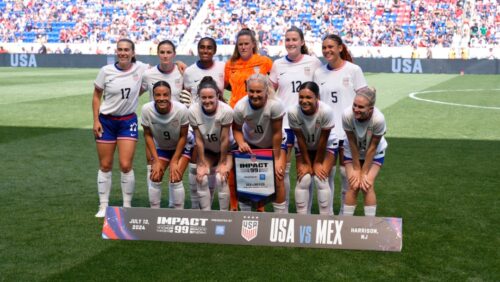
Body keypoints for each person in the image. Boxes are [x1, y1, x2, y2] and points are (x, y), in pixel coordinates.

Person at [92, 38, 149, 218]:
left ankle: (126, 205)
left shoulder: (141, 68)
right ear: (116, 52)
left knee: (125, 165)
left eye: (126, 50)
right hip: (106, 121)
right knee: (105, 164)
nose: (123, 53)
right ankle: (103, 205)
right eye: (120, 49)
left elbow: (161, 69)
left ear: (133, 53)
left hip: (127, 121)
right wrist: (95, 120)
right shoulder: (105, 71)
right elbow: (96, 96)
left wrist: (179, 64)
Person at [269, 26, 322, 213]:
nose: (290, 43)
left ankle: (304, 213)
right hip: (284, 124)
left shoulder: (313, 63)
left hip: (307, 125)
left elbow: (319, 91)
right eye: (287, 39)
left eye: (294, 39)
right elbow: (270, 91)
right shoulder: (277, 65)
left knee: (307, 172)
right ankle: (282, 212)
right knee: (282, 170)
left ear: (302, 42)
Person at [313, 34, 367, 215]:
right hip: (326, 132)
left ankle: (345, 215)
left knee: (346, 175)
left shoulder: (354, 70)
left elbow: (363, 100)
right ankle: (326, 215)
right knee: (324, 175)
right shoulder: (319, 72)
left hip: (348, 132)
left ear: (340, 48)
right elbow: (316, 102)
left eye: (331, 47)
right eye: (324, 47)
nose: (327, 50)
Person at [224, 28, 273, 211]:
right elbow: (227, 86)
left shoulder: (264, 62)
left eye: (247, 43)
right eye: (240, 44)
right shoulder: (230, 64)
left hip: (257, 117)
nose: (243, 47)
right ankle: (234, 205)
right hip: (235, 116)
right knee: (235, 161)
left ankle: (259, 205)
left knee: (257, 162)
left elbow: (272, 85)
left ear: (253, 44)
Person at [142, 40, 191, 209]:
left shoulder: (182, 72)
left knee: (175, 173)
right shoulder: (148, 75)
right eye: (162, 52)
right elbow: (137, 90)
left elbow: (192, 91)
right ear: (158, 54)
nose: (165, 55)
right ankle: (154, 212)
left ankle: (175, 208)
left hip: (179, 127)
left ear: (174, 54)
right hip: (158, 129)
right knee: (154, 171)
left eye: (168, 52)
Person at [232, 73, 287, 213]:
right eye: (251, 91)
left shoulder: (275, 105)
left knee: (278, 176)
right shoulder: (240, 107)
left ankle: (281, 217)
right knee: (248, 179)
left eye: (258, 91)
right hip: (252, 145)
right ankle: (248, 215)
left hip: (274, 144)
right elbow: (236, 129)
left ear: (266, 90)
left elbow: (276, 134)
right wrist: (241, 142)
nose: (254, 95)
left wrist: (276, 159)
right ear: (247, 90)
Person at [182, 37, 225, 209]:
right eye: (202, 47)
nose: (205, 50)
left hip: (216, 122)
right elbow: (186, 95)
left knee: (214, 165)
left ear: (214, 51)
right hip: (195, 125)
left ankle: (208, 201)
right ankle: (195, 206)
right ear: (197, 49)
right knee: (195, 164)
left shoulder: (223, 68)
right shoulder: (189, 71)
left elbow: (226, 91)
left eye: (209, 48)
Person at [288, 81, 337, 215]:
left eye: (309, 97)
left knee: (320, 179)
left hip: (326, 145)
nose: (304, 101)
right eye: (301, 97)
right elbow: (300, 138)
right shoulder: (293, 112)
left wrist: (317, 163)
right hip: (304, 146)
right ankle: (303, 218)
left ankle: (325, 219)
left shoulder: (326, 111)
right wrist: (307, 163)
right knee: (304, 179)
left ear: (317, 98)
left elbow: (323, 139)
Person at [342, 87, 387, 216]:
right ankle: (347, 223)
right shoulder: (346, 115)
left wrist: (364, 172)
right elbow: (351, 142)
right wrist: (357, 169)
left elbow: (372, 147)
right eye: (354, 105)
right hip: (352, 150)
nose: (356, 109)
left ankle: (369, 224)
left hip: (374, 153)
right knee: (353, 185)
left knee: (367, 185)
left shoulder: (378, 119)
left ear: (370, 109)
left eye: (361, 107)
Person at [189, 76, 233, 211]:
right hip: (208, 149)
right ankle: (206, 215)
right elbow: (199, 139)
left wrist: (222, 162)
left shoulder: (226, 111)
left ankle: (224, 216)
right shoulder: (193, 111)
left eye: (210, 97)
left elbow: (225, 139)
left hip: (227, 150)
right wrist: (201, 162)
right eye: (204, 97)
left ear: (218, 96)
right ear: (199, 97)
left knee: (221, 177)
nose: (207, 101)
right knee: (201, 177)